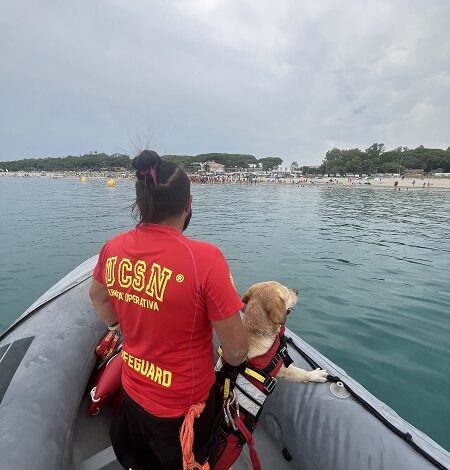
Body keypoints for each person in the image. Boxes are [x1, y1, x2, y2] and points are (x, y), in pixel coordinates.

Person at [89, 150, 249, 470]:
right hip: (183, 410)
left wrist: (122, 328)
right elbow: (235, 350)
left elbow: (98, 297)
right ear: (188, 204)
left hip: (133, 392)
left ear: (141, 201)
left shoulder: (113, 248)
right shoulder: (205, 259)